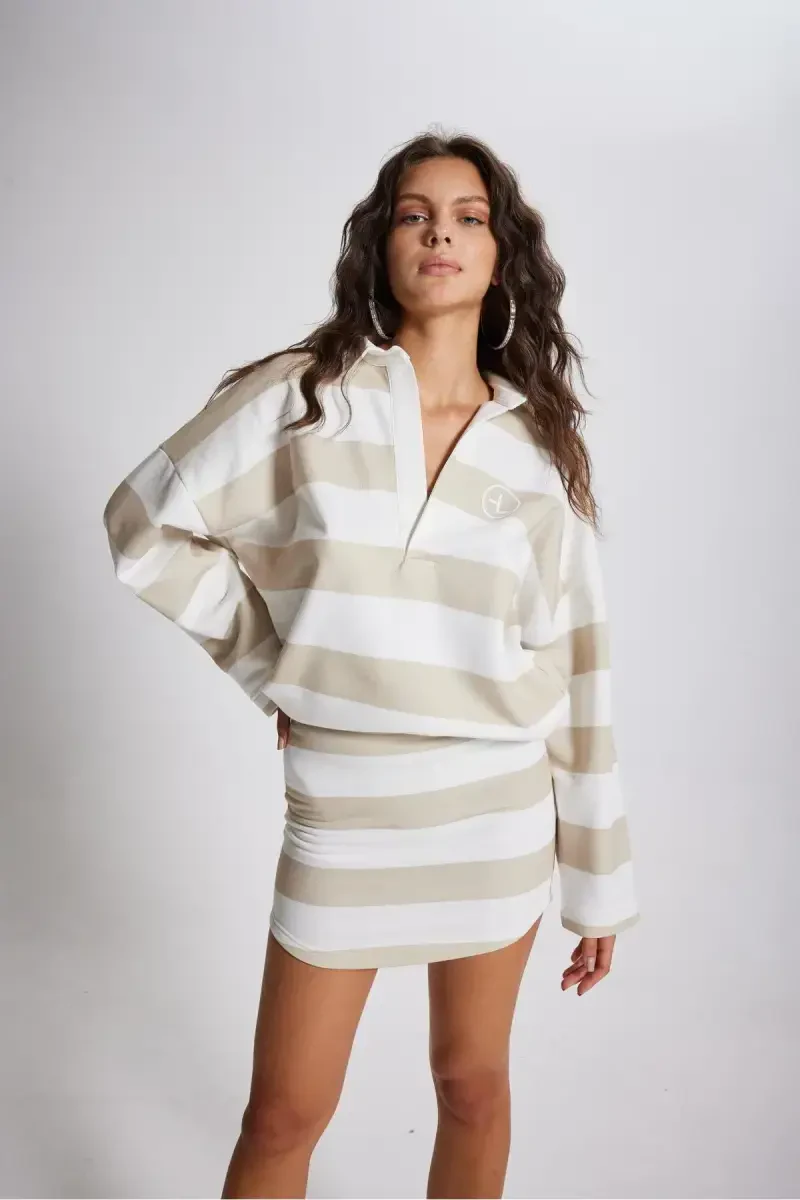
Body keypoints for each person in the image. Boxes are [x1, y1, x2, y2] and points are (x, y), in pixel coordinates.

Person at [102, 129, 639, 1200]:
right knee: (282, 1115)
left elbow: (577, 664)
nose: (440, 231)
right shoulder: (302, 398)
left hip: (493, 818)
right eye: (413, 214)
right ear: (380, 246)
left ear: (500, 256)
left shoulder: (536, 449)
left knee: (471, 1088)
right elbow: (142, 524)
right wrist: (271, 663)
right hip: (342, 811)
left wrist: (598, 884)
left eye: (468, 216)